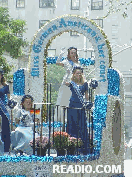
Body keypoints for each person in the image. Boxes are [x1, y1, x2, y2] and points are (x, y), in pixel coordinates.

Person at [65, 67, 91, 155]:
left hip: (81, 107)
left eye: (80, 73)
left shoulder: (85, 84)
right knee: (72, 125)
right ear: (74, 74)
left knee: (81, 126)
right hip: (72, 106)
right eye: (77, 73)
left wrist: (87, 103)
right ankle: (71, 147)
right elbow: (64, 83)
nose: (79, 75)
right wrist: (67, 74)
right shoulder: (72, 83)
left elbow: (87, 95)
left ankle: (83, 148)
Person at [55, 47, 82, 121]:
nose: (73, 54)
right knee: (64, 99)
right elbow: (57, 63)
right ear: (69, 54)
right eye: (72, 53)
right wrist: (61, 54)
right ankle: (63, 118)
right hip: (66, 82)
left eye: (74, 53)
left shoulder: (77, 63)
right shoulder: (66, 61)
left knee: (73, 100)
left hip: (75, 83)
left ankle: (72, 117)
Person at [0, 69, 11, 155]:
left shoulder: (6, 86)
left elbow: (8, 99)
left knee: (5, 130)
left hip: (3, 110)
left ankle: (6, 150)